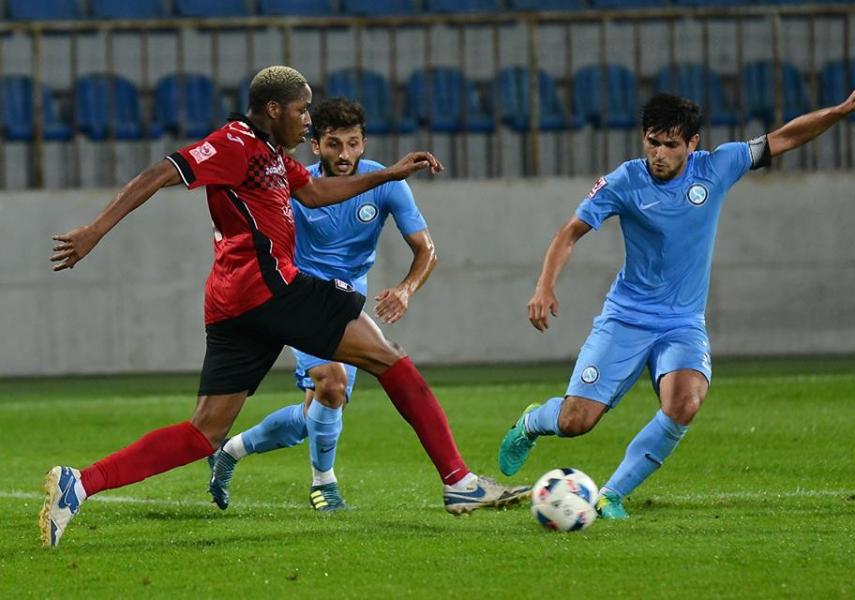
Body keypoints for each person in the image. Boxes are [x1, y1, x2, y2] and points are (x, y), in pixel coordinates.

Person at [41, 66, 528, 548]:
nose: (307, 121)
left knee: (204, 433)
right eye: (301, 111)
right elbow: (159, 172)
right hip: (269, 285)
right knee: (388, 356)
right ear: (273, 109)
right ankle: (458, 481)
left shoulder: (271, 154)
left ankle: (79, 484)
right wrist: (95, 231)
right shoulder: (234, 143)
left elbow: (314, 194)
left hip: (234, 299)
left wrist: (394, 173)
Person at [498, 65, 855, 519]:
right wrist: (545, 285)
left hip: (681, 323)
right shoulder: (624, 181)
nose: (659, 153)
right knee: (575, 422)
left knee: (685, 402)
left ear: (692, 144)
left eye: (670, 144)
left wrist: (841, 110)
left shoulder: (718, 167)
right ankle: (531, 421)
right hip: (625, 318)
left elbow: (785, 138)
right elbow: (570, 231)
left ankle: (610, 495)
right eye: (652, 141)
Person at [206, 96, 438, 512]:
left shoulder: (386, 183)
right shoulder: (295, 186)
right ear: (316, 145)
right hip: (301, 292)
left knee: (320, 406)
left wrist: (406, 288)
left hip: (348, 297)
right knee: (330, 383)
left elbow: (426, 250)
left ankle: (231, 452)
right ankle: (323, 486)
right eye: (333, 144)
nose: (344, 154)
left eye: (352, 143)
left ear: (364, 143)